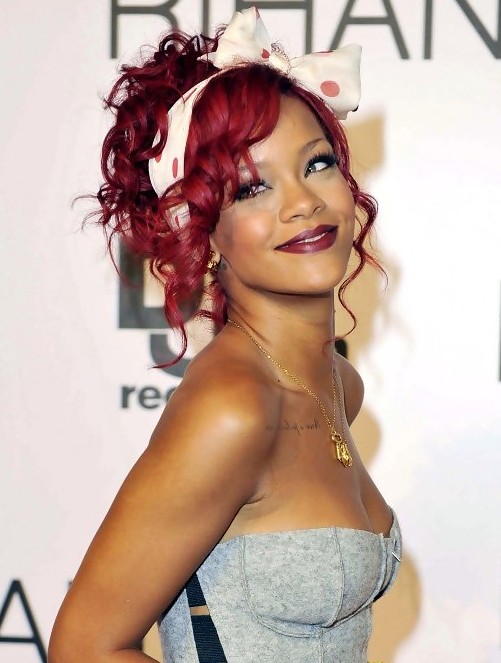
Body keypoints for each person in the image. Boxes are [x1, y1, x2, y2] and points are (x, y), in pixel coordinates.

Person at [49, 7, 402, 663]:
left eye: (317, 163)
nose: (302, 202)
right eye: (251, 188)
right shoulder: (233, 407)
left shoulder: (338, 387)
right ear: (201, 230)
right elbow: (85, 647)